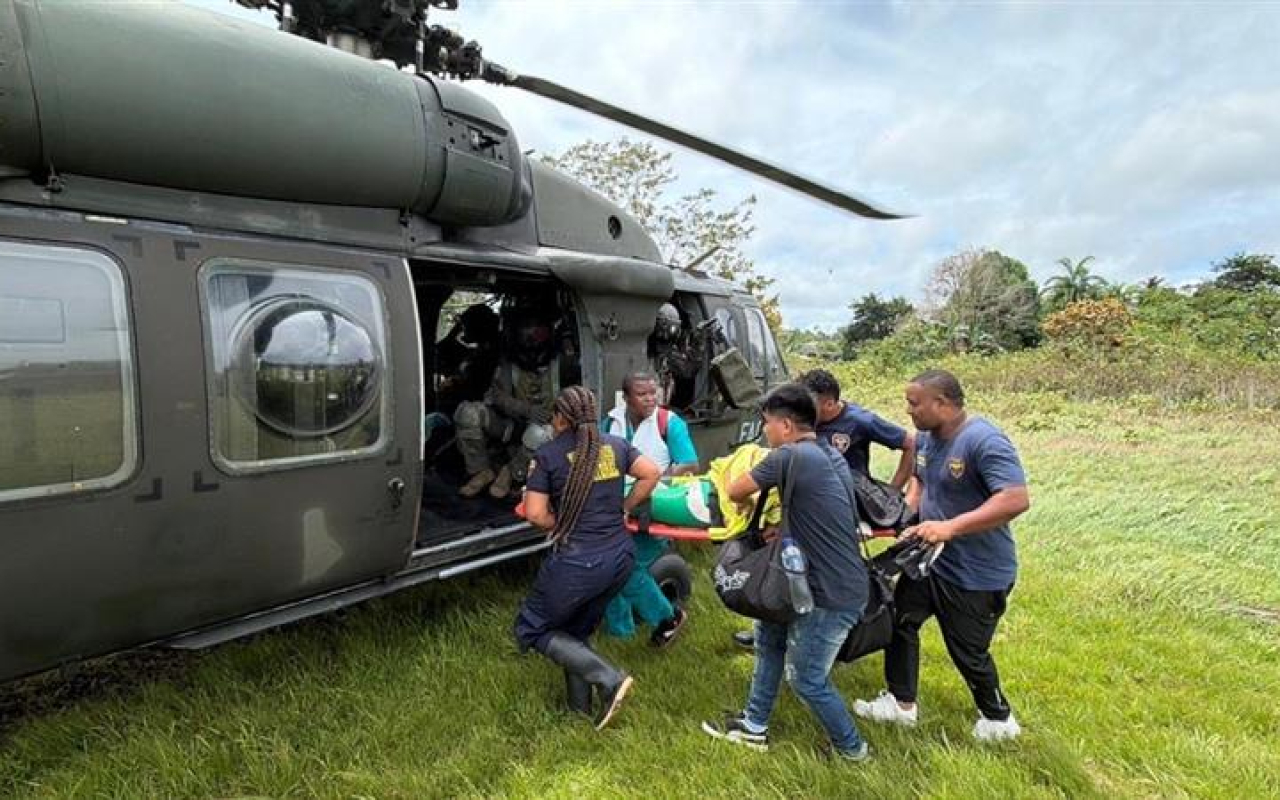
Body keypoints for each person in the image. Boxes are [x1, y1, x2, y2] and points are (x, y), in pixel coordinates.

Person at [853, 369, 1031, 742]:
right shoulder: (925, 440)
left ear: (944, 404)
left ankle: (999, 719)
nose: (908, 411)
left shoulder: (984, 441)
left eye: (914, 403)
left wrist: (950, 527)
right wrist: (909, 516)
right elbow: (921, 482)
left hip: (976, 571)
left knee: (968, 651)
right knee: (899, 620)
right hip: (930, 561)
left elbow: (1015, 499)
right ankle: (902, 704)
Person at [701, 384, 871, 762]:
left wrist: (744, 483)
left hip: (828, 593)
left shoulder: (788, 456)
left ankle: (853, 750)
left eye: (767, 424)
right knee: (768, 643)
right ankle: (753, 727)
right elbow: (823, 511)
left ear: (786, 425)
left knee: (807, 680)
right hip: (800, 578)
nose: (765, 433)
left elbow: (735, 489)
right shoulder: (828, 454)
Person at [734, 368, 916, 649]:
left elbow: (909, 442)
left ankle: (824, 636)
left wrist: (893, 491)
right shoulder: (810, 438)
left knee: (824, 575)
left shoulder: (857, 422)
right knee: (790, 569)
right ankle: (776, 623)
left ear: (828, 403)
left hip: (839, 509)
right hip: (805, 509)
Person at [516, 386, 661, 730]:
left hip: (579, 562)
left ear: (561, 418)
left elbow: (535, 514)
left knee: (532, 628)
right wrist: (624, 507)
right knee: (574, 632)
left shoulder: (549, 455)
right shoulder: (616, 445)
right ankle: (577, 711)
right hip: (619, 557)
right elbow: (652, 472)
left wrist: (562, 521)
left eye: (553, 416)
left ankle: (610, 680)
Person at [601, 372, 699, 646]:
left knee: (624, 570)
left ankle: (668, 617)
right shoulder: (611, 422)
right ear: (627, 398)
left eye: (653, 392)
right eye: (642, 394)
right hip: (618, 509)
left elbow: (690, 464)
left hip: (654, 510)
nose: (650, 399)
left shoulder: (669, 422)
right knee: (611, 568)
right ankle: (620, 633)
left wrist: (656, 479)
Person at [455, 303, 564, 499]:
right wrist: (525, 410)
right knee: (467, 413)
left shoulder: (564, 363)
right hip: (512, 424)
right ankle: (480, 471)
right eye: (525, 326)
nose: (530, 332)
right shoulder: (509, 362)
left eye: (536, 326)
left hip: (547, 429)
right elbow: (497, 395)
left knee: (539, 434)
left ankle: (511, 473)